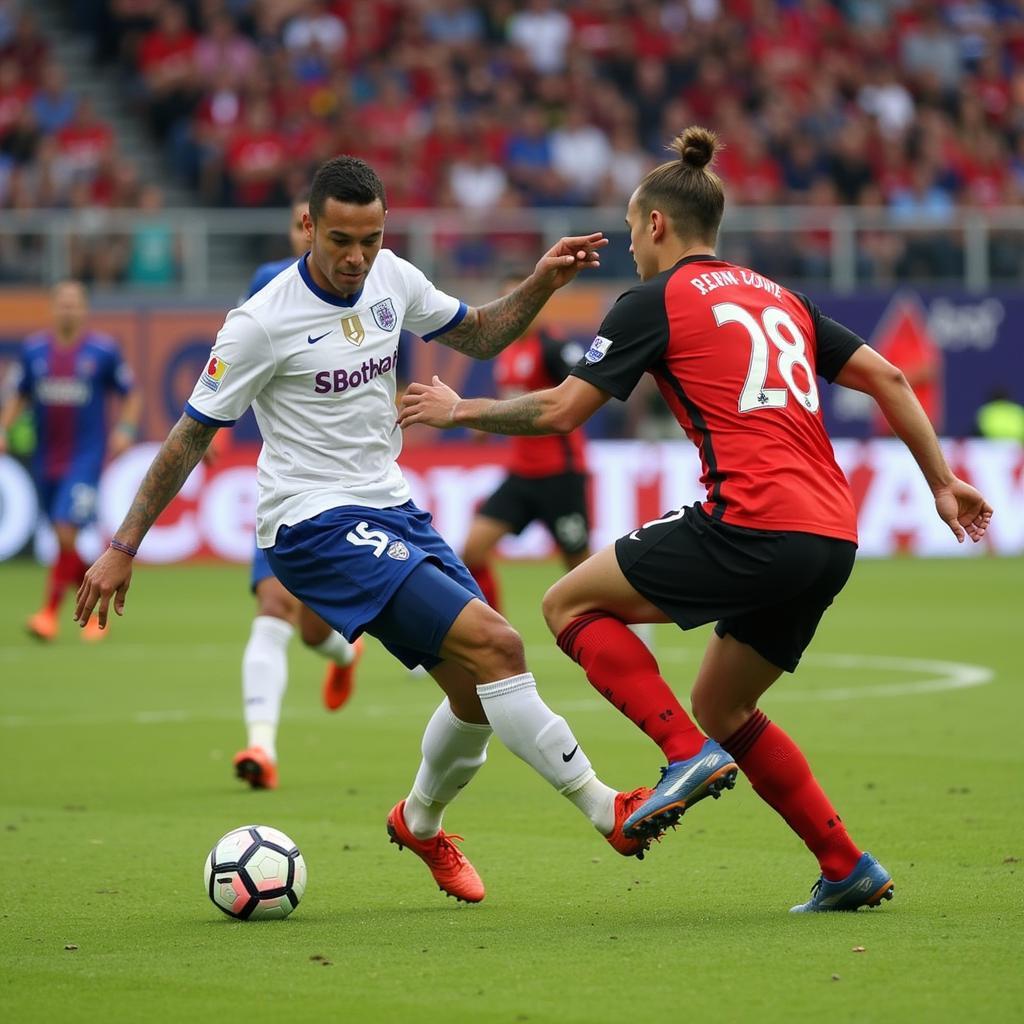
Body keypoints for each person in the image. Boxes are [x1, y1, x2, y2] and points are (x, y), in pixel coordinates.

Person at [398, 127, 994, 913]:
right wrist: (942, 482)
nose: (631, 250)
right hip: (831, 535)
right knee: (727, 705)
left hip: (753, 521)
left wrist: (457, 408)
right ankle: (845, 864)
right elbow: (887, 375)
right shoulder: (778, 295)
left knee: (566, 604)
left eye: (630, 229)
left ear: (654, 225)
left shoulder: (654, 299)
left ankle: (683, 754)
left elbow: (561, 410)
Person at [75, 155, 658, 907]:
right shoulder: (261, 322)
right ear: (309, 226)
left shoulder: (393, 279)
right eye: (342, 240)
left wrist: (543, 282)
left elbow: (479, 336)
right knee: (500, 645)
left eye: (371, 240)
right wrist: (123, 549)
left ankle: (419, 823)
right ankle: (604, 806)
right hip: (312, 523)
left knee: (478, 695)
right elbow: (189, 436)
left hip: (392, 504)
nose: (356, 258)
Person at [233, 190, 362, 792]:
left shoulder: (370, 283)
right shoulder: (267, 285)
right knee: (272, 608)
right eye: (295, 224)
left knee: (315, 631)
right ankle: (261, 746)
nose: (300, 232)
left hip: (346, 486)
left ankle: (342, 654)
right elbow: (236, 359)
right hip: (286, 486)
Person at [0, 280, 140, 643]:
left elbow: (131, 395)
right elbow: (18, 396)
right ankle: (95, 602)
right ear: (52, 308)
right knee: (64, 542)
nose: (68, 309)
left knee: (65, 531)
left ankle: (48, 614)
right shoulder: (34, 352)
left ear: (84, 309)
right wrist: (4, 428)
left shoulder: (102, 352)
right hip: (46, 460)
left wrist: (124, 428)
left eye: (74, 303)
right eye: (62, 303)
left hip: (85, 459)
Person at [461, 273, 590, 612]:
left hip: (560, 474)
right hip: (521, 474)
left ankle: (634, 618)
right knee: (472, 551)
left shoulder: (555, 348)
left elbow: (583, 394)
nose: (516, 312)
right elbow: (516, 405)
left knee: (580, 567)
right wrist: (486, 426)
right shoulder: (505, 353)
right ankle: (492, 635)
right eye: (509, 303)